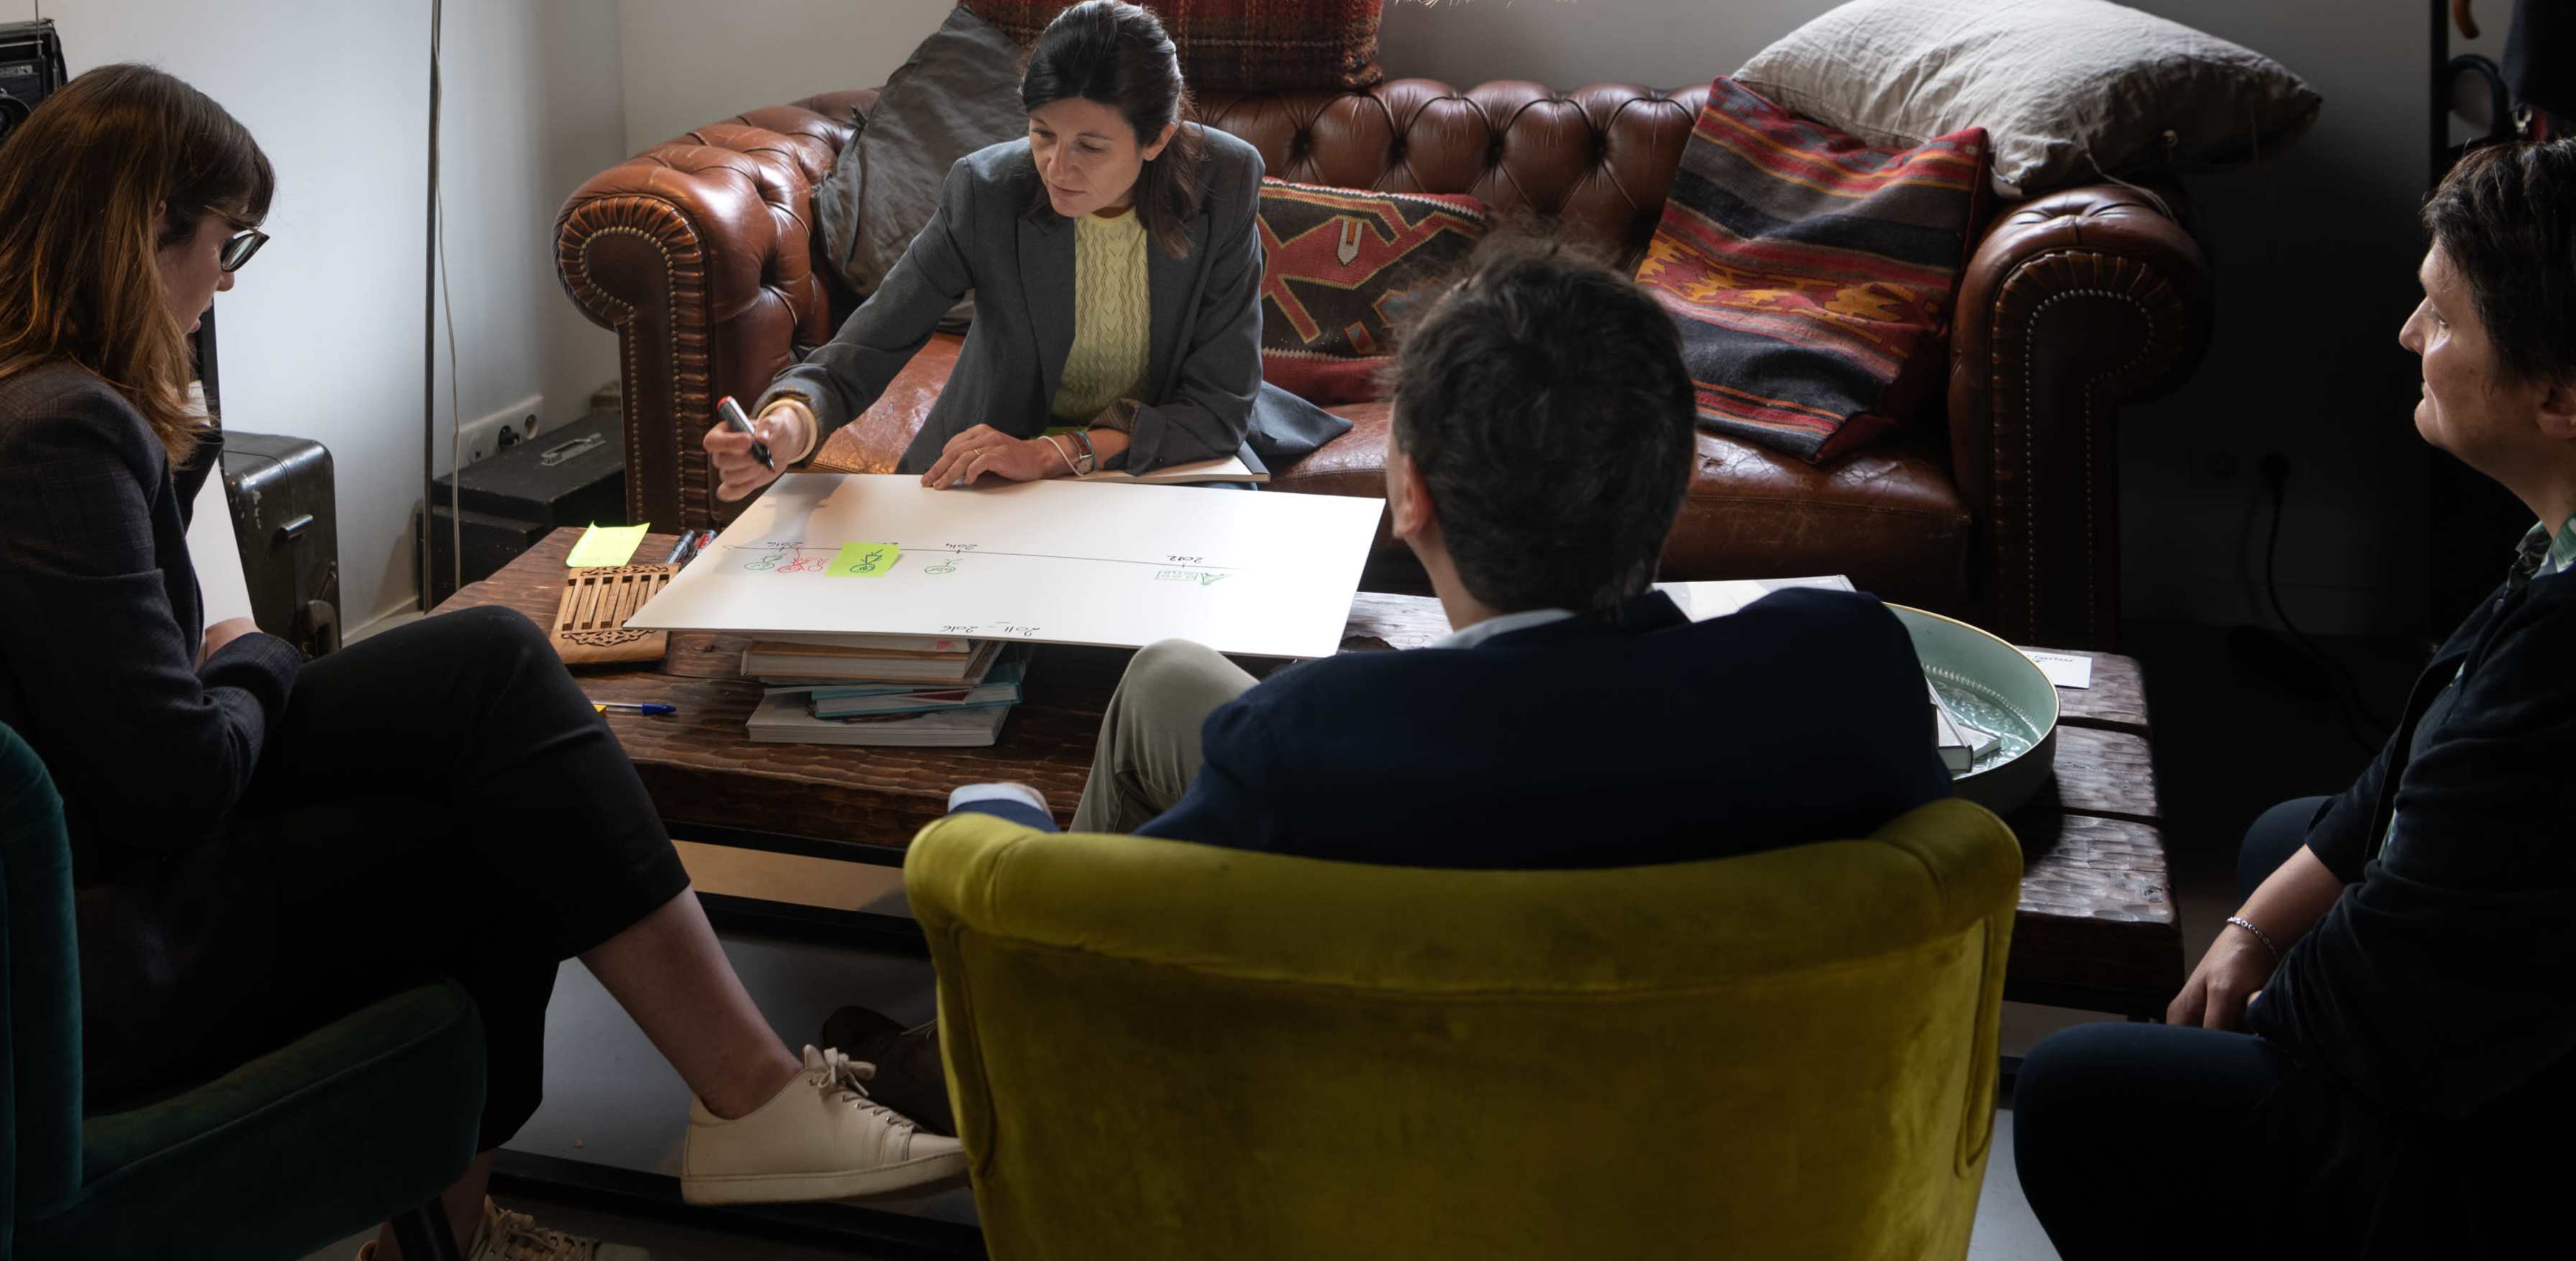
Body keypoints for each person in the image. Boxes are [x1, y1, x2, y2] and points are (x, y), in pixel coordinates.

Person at [0, 66, 961, 1261]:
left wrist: (222, 655)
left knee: (485, 665)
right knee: (489, 835)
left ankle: (730, 1110)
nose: (219, 282)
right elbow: (177, 785)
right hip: (68, 964)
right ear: (134, 236)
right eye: (225, 245)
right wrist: (251, 653)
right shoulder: (56, 428)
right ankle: (658, 1141)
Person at [824, 230, 1955, 1128]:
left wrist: (999, 829)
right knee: (1171, 678)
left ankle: (980, 1080)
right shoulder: (1844, 663)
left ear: (1408, 495)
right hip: (1708, 1130)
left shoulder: (1307, 741)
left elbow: (1074, 921)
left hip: (1365, 1133)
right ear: (1674, 483)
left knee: (1032, 869)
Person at [2013, 138, 2576, 1259]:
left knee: (2082, 1090)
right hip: (2505, 1001)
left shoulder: (2553, 684)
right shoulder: (2556, 550)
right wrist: (2247, 927)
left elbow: (2367, 1002)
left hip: (2498, 1143)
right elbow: (2415, 748)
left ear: (2559, 395)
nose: (2412, 337)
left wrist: (2247, 1011)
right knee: (2282, 846)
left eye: (2443, 316)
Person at [705, 0, 1346, 502]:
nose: (1056, 167)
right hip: (1001, 454)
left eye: (1090, 147)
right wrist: (789, 424)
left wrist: (1055, 453)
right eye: (1042, 134)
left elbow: (1217, 406)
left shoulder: (1225, 181)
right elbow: (870, 343)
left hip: (1163, 454)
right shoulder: (987, 190)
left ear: (1157, 138)